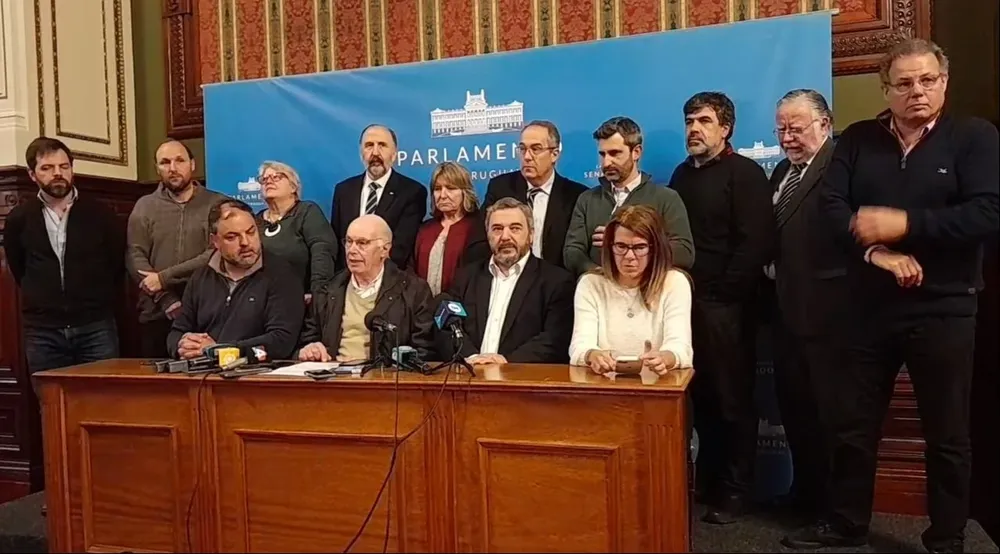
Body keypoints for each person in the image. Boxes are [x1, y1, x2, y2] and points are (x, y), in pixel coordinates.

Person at [784, 39, 1000, 554]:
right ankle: (845, 523)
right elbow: (833, 210)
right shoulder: (858, 140)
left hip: (944, 306)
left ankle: (947, 536)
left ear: (944, 83)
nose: (916, 91)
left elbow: (988, 214)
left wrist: (907, 224)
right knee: (852, 425)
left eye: (927, 80)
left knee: (947, 434)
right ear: (887, 89)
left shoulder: (973, 137)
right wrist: (876, 253)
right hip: (865, 305)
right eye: (903, 83)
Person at [669, 92, 775, 524]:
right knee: (702, 400)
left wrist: (724, 295)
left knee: (732, 400)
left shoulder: (745, 173)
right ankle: (709, 482)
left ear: (726, 128)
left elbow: (756, 243)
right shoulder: (680, 175)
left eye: (705, 121)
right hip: (682, 306)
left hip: (727, 307)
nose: (695, 128)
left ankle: (736, 492)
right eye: (690, 120)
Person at [765, 89, 846, 522]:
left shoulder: (841, 165)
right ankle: (805, 496)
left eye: (796, 128)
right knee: (796, 412)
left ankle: (832, 513)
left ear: (824, 125)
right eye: (781, 129)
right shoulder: (781, 171)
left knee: (828, 419)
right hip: (786, 315)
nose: (787, 137)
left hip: (828, 320)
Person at [3, 137, 123, 372]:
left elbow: (116, 264)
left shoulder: (100, 214)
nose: (57, 173)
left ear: (71, 170)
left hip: (95, 327)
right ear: (32, 174)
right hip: (43, 332)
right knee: (51, 403)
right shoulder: (19, 218)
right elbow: (19, 267)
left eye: (64, 167)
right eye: (47, 168)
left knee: (102, 402)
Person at [437, 197, 575, 365]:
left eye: (515, 228)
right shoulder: (466, 277)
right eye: (497, 229)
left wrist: (506, 362)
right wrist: (472, 357)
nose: (505, 236)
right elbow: (446, 325)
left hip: (521, 382)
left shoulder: (556, 281)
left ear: (531, 235)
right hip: (470, 377)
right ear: (487, 235)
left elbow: (555, 338)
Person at [167, 199, 305, 360]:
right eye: (232, 237)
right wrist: (182, 346)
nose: (245, 242)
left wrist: (220, 352)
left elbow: (281, 342)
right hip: (202, 375)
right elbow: (176, 332)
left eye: (251, 232)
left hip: (256, 376)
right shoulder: (201, 277)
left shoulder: (282, 274)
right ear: (215, 242)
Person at [127, 139, 228, 358]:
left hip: (206, 312)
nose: (172, 168)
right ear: (157, 169)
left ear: (192, 164)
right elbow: (135, 255)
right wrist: (165, 298)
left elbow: (215, 252)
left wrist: (164, 277)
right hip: (158, 313)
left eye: (179, 160)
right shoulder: (145, 206)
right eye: (165, 163)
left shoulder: (217, 204)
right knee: (157, 389)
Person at [568, 205, 693, 376]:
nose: (629, 256)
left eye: (639, 247)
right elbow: (579, 346)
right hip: (602, 387)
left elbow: (681, 347)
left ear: (655, 249)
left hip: (658, 387)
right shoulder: (591, 283)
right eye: (621, 246)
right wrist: (592, 355)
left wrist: (665, 358)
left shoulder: (675, 282)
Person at [564, 116, 695, 276]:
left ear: (636, 152)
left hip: (648, 295)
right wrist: (600, 276)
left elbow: (685, 253)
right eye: (603, 154)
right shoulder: (587, 199)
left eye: (615, 153)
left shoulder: (666, 198)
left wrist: (626, 240)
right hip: (599, 292)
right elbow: (572, 252)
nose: (606, 163)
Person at [298, 215, 435, 363]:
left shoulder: (413, 290)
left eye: (362, 243)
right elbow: (308, 339)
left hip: (383, 378)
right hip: (333, 376)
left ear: (385, 249)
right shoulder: (327, 290)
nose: (352, 250)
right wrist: (310, 349)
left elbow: (425, 350)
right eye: (349, 242)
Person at [483, 120, 588, 270]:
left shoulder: (576, 196)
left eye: (536, 149)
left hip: (559, 283)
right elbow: (482, 239)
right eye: (522, 149)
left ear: (554, 154)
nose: (527, 156)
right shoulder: (500, 187)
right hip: (509, 277)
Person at [330, 124, 427, 271]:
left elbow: (401, 247)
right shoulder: (343, 190)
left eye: (382, 145)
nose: (375, 152)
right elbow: (337, 241)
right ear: (361, 153)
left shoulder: (412, 192)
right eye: (369, 145)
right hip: (348, 279)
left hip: (388, 281)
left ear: (394, 153)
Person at [255, 161, 338, 302]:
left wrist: (317, 294)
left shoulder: (306, 212)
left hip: (303, 300)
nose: (269, 181)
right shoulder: (255, 221)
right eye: (264, 179)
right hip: (263, 302)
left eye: (277, 177)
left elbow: (322, 251)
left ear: (293, 186)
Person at [411, 162, 490, 295]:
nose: (443, 195)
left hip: (462, 306)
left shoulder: (477, 229)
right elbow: (410, 270)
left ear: (465, 192)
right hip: (421, 308)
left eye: (450, 188)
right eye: (437, 189)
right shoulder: (425, 229)